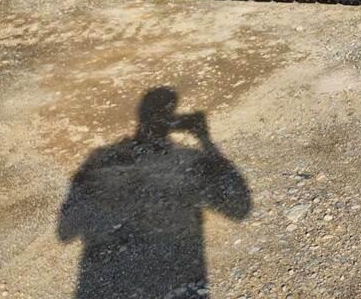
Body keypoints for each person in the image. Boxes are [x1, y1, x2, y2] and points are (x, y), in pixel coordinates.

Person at [58, 87, 251, 298]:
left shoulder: (102, 157)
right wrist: (205, 140)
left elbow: (65, 232)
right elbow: (240, 209)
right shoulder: (189, 158)